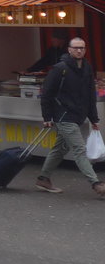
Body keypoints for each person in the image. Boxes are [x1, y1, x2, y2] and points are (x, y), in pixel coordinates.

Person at [36, 37, 105, 195]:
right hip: (63, 115)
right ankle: (96, 183)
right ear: (69, 49)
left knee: (60, 149)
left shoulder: (87, 67)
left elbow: (89, 96)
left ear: (85, 50)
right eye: (75, 48)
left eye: (82, 48)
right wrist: (47, 117)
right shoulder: (60, 68)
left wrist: (94, 119)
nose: (79, 50)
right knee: (79, 149)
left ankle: (43, 179)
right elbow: (46, 94)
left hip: (77, 115)